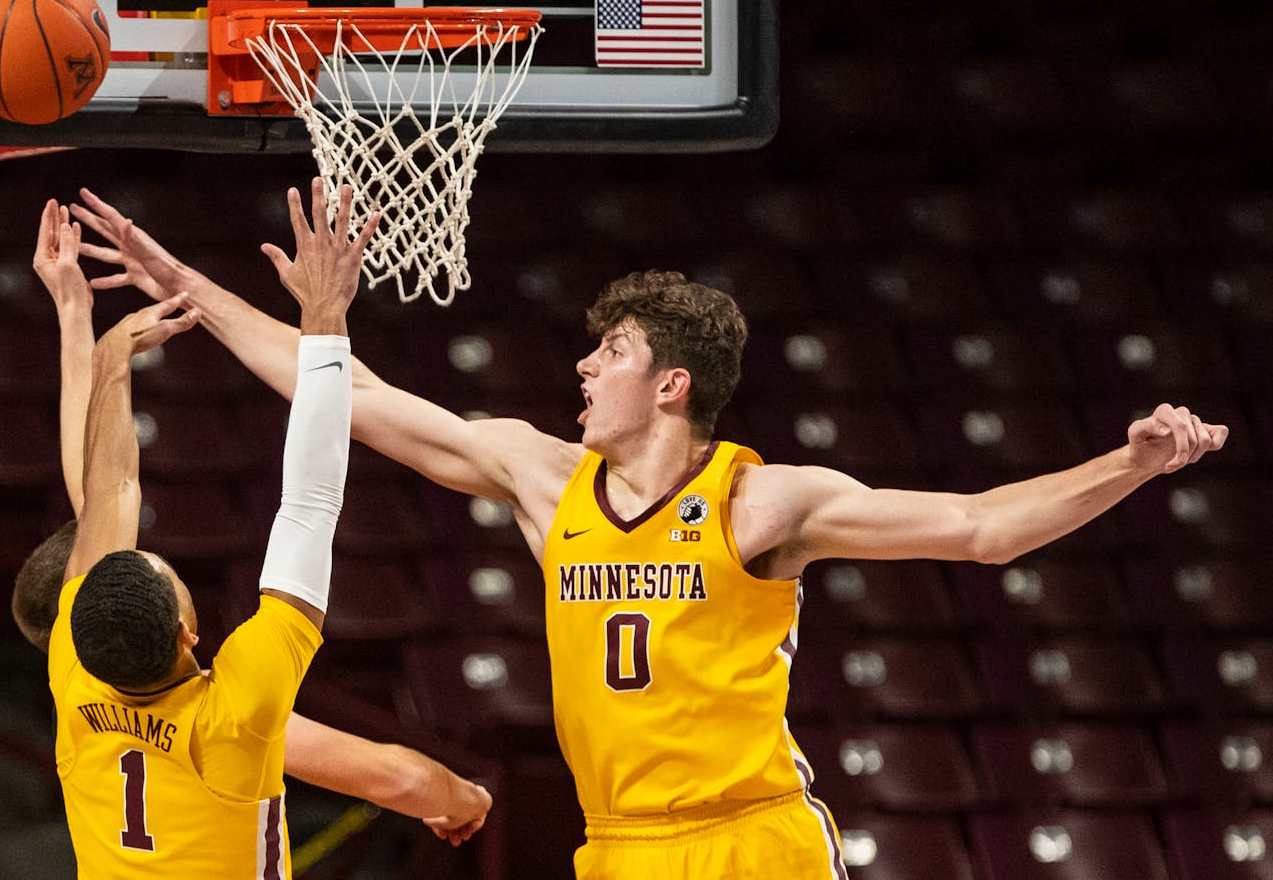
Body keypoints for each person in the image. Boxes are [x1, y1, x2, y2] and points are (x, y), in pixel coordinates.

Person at [72, 187, 1228, 880]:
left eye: (609, 352)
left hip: (747, 838)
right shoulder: (543, 479)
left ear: (672, 384)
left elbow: (981, 529)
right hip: (619, 842)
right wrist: (197, 287)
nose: (581, 364)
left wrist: (1125, 463)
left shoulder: (758, 501)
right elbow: (356, 399)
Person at [23, 199, 491, 849]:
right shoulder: (236, 713)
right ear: (187, 633)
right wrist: (324, 313)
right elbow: (304, 501)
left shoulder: (78, 674)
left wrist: (83, 327)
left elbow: (104, 492)